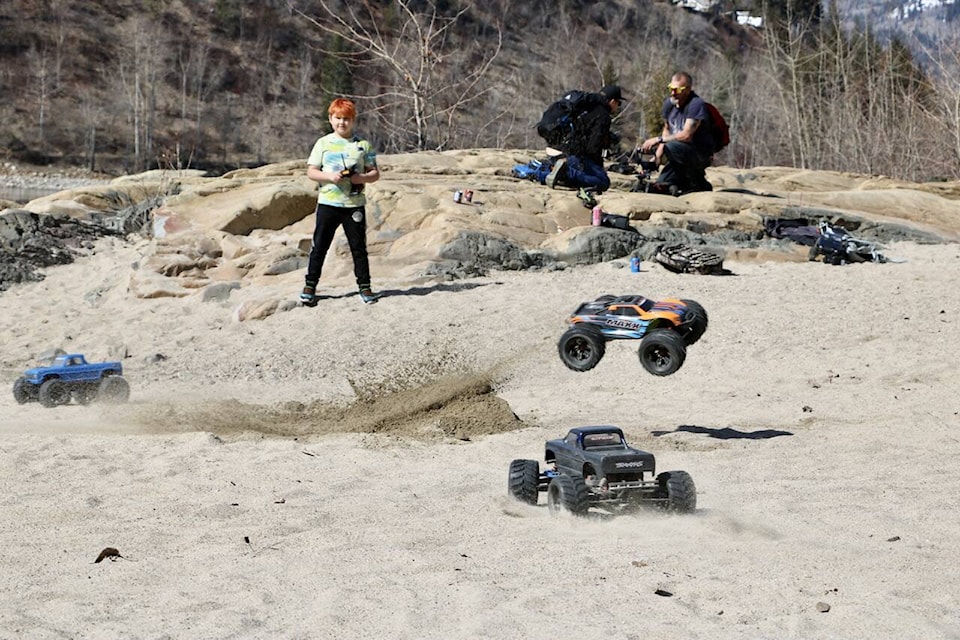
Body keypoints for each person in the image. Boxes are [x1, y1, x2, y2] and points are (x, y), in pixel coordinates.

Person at [301, 97, 381, 307]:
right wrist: (329, 177)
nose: (342, 123)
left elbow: (374, 173)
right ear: (330, 118)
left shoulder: (363, 145)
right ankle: (310, 286)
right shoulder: (323, 143)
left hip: (354, 205)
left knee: (358, 248)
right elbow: (311, 171)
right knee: (319, 246)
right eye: (338, 118)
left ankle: (365, 287)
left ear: (353, 121)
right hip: (328, 204)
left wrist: (360, 179)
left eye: (346, 119)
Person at [640, 71, 714, 195]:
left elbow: (686, 135)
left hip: (698, 153)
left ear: (688, 89)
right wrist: (657, 156)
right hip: (677, 154)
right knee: (661, 184)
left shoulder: (696, 104)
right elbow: (667, 129)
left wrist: (657, 140)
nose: (673, 92)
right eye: (671, 88)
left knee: (673, 146)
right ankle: (687, 183)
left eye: (678, 89)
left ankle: (696, 182)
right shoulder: (670, 104)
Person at [545, 84, 625, 194]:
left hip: (560, 149)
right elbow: (593, 147)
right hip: (576, 156)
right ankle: (565, 173)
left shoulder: (586, 107)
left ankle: (542, 171)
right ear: (612, 101)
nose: (618, 107)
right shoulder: (603, 115)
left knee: (578, 170)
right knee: (603, 181)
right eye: (618, 103)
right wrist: (598, 165)